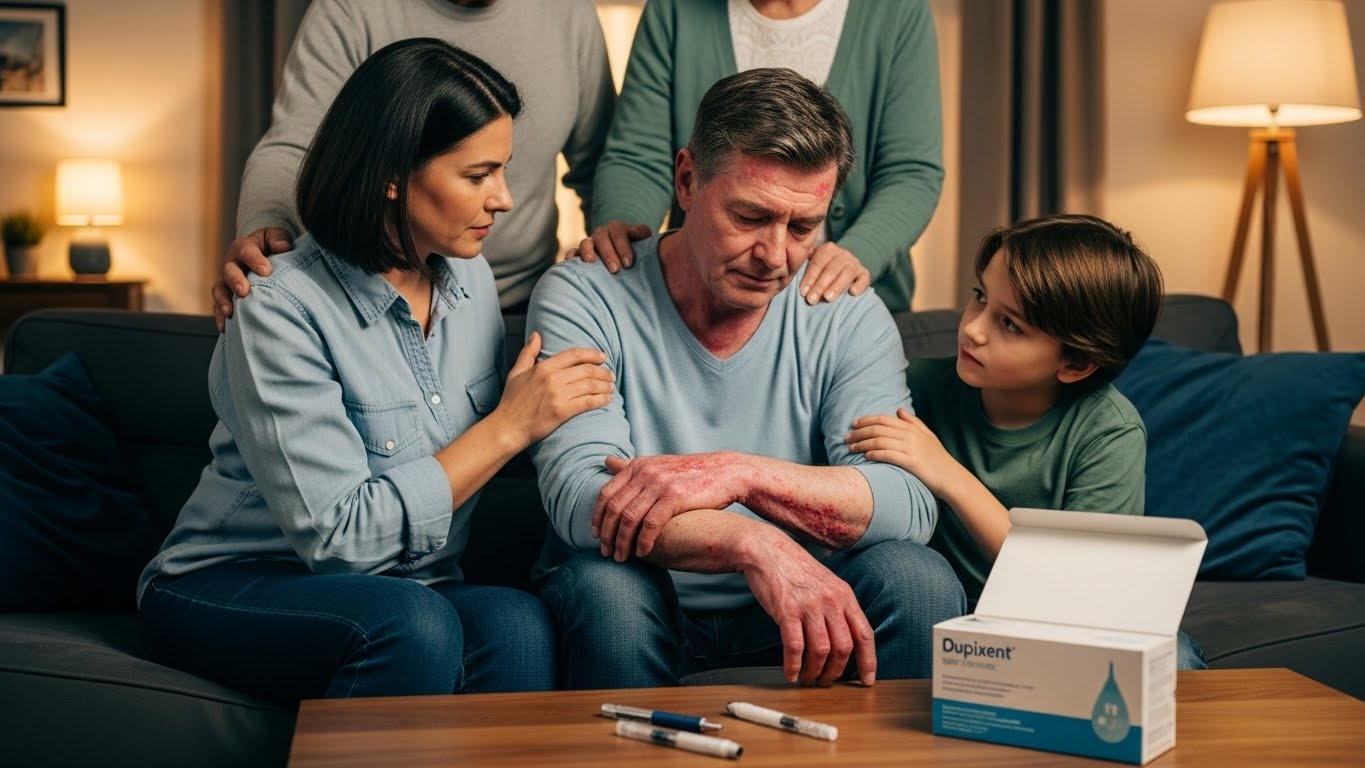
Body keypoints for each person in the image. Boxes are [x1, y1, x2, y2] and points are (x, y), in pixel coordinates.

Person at [138, 39, 616, 701]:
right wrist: (508, 427)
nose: (503, 199)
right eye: (477, 175)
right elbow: (339, 540)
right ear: (391, 173)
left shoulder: (472, 281)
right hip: (230, 581)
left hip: (405, 585)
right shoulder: (277, 308)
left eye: (502, 171)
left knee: (515, 621)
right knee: (411, 625)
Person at [529, 67, 966, 691]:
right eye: (750, 216)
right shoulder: (586, 293)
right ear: (686, 180)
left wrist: (743, 473)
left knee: (918, 578)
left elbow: (905, 502)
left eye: (802, 227)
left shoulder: (843, 309)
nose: (775, 256)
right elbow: (583, 500)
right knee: (608, 591)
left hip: (802, 607)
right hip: (641, 597)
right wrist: (753, 543)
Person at [845, 213, 1207, 670]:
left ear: (1075, 365)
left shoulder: (1108, 430)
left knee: (1173, 656)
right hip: (938, 617)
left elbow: (1072, 587)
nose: (974, 328)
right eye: (979, 298)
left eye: (1010, 324)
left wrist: (948, 475)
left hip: (1056, 623)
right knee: (911, 578)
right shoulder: (917, 387)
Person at [212, 0, 615, 328]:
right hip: (376, 302)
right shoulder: (350, 10)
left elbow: (603, 162)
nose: (504, 200)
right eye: (478, 176)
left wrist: (611, 273)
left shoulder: (571, 13)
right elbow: (295, 144)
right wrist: (265, 233)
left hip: (522, 303)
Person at [575, 0, 944, 314]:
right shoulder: (675, 8)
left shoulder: (896, 11)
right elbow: (639, 155)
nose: (774, 256)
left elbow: (910, 172)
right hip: (704, 302)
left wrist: (856, 254)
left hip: (838, 301)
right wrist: (625, 237)